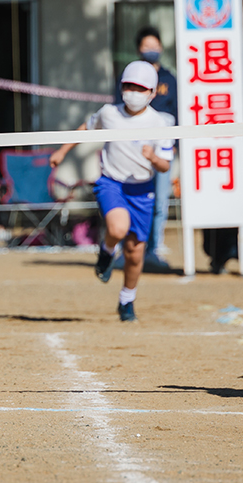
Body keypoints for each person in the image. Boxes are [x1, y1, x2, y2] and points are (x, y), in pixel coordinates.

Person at [50, 61, 174, 322]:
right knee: (118, 228)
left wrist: (152, 158)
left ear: (152, 93)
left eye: (140, 88)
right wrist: (62, 151)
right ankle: (106, 252)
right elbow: (85, 128)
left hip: (142, 189)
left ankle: (127, 300)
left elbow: (165, 165)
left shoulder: (159, 123)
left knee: (135, 252)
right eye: (128, 86)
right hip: (111, 183)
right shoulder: (109, 113)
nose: (133, 92)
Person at [119, 26, 178, 271]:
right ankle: (129, 248)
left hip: (161, 147)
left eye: (155, 45)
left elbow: (176, 113)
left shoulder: (169, 79)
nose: (152, 50)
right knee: (131, 197)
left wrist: (176, 145)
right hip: (134, 148)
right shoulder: (130, 77)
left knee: (160, 201)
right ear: (138, 49)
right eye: (146, 46)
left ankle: (154, 247)